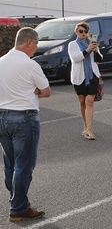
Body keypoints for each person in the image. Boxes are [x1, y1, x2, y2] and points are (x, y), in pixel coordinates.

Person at [0, 28, 50, 222]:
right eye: (36, 44)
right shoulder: (30, 65)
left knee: (10, 164)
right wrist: (32, 91)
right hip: (23, 119)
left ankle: (18, 203)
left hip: (2, 117)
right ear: (29, 42)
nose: (36, 49)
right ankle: (18, 208)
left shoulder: (1, 62)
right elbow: (46, 91)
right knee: (24, 166)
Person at [67, 22, 102, 140]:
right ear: (76, 31)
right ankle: (86, 126)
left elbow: (99, 59)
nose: (83, 34)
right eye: (81, 31)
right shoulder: (72, 44)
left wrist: (96, 50)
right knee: (82, 101)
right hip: (79, 77)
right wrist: (88, 50)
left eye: (85, 31)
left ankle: (89, 130)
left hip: (93, 76)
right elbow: (76, 58)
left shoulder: (92, 43)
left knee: (89, 101)